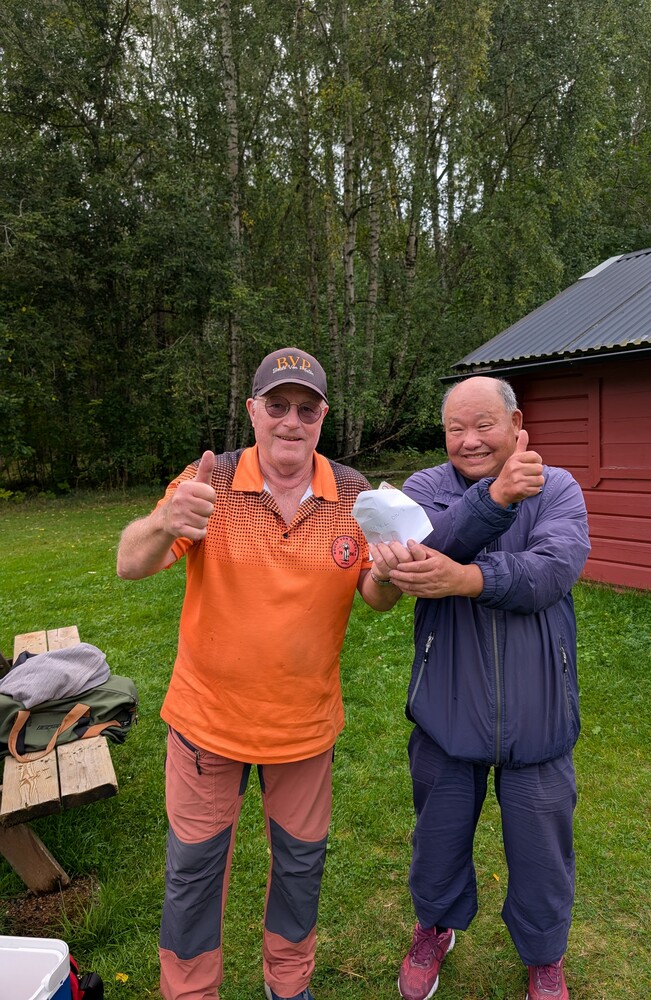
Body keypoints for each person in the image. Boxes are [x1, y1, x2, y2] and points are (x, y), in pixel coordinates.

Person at [116, 347, 402, 1000]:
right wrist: (163, 522)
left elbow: (375, 596)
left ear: (322, 417)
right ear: (253, 411)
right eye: (277, 406)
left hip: (304, 728)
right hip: (206, 725)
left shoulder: (355, 493)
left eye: (306, 409)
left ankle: (288, 986)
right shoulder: (208, 480)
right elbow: (130, 563)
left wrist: (387, 574)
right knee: (193, 875)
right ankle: (190, 992)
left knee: (301, 870)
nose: (290, 421)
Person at [371, 376, 590, 1000]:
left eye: (483, 425)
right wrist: (494, 498)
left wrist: (467, 580)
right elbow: (422, 548)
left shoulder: (557, 487)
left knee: (543, 851)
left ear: (516, 424)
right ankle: (434, 928)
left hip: (539, 709)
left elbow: (551, 572)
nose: (468, 440)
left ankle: (544, 956)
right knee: (437, 838)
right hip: (447, 708)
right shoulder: (423, 489)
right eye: (455, 429)